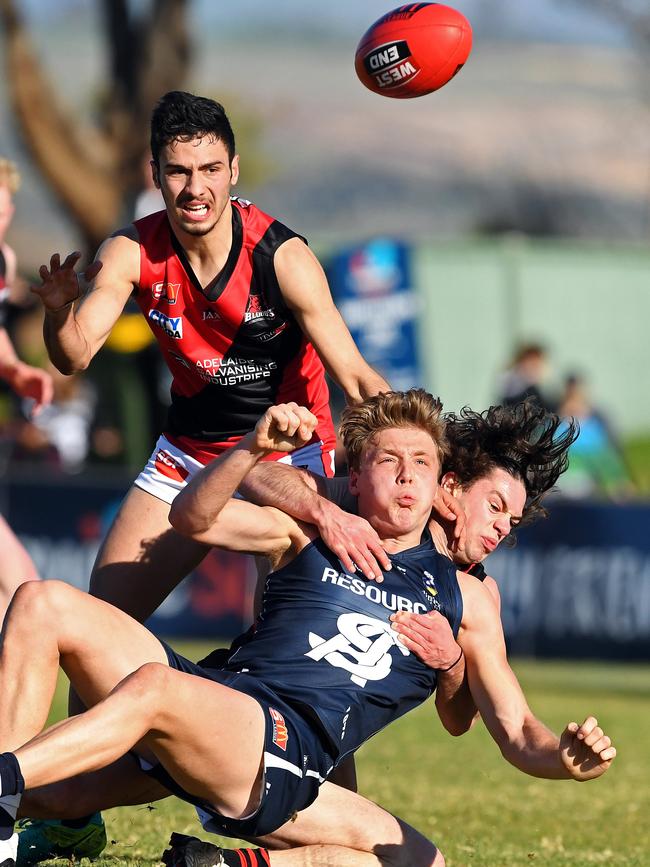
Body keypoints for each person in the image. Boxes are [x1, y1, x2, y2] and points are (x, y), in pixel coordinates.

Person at [4, 394, 615, 867]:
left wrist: (564, 756)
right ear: (359, 477)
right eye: (389, 462)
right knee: (43, 602)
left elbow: (511, 728)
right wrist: (251, 448)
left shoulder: (471, 599)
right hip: (214, 701)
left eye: (420, 464)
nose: (406, 477)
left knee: (155, 690)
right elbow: (191, 516)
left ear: (440, 484)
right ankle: (8, 807)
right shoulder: (320, 525)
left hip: (275, 747)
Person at [238, 399, 579, 736]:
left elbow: (461, 722)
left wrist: (452, 662)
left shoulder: (478, 592)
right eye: (494, 506)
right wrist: (325, 513)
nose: (503, 527)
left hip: (323, 715)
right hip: (262, 672)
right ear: (450, 486)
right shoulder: (389, 503)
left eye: (513, 521)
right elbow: (255, 475)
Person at [0, 157, 53, 621]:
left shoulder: (5, 258)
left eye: (7, 207)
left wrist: (16, 369)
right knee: (19, 580)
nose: (3, 216)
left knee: (17, 585)